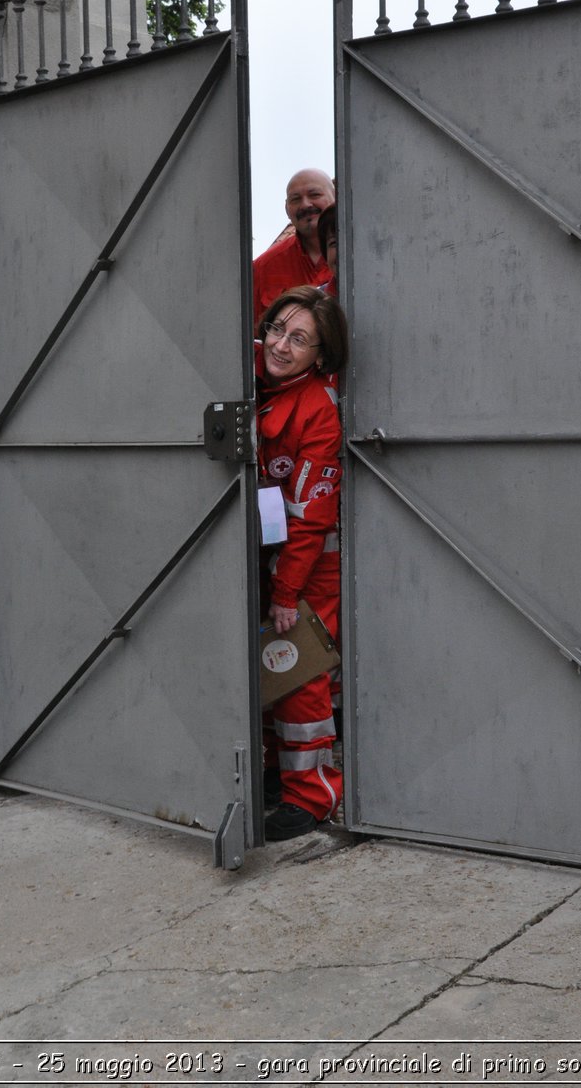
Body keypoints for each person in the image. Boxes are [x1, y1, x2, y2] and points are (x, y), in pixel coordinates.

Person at [256, 285, 349, 841]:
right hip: (269, 554)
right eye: (276, 330)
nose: (281, 346)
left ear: (321, 355)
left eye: (299, 339)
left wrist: (287, 592)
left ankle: (315, 795)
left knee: (297, 673)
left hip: (309, 566)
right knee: (267, 669)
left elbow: (309, 518)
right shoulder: (256, 386)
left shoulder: (318, 410)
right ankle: (274, 773)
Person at [253, 169, 335, 325]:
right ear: (286, 209)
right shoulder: (262, 268)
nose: (305, 204)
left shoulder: (358, 253)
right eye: (295, 199)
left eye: (315, 195)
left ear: (336, 196)